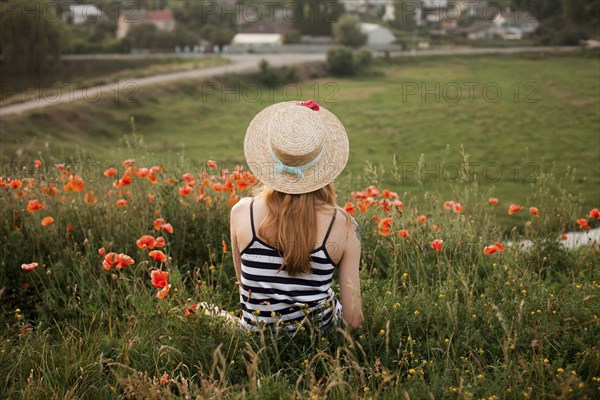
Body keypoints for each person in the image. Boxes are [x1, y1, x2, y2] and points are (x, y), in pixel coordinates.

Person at [229, 100, 364, 334]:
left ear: (270, 158)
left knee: (204, 309)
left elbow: (245, 287)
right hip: (317, 339)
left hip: (255, 337)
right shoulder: (343, 226)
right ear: (323, 164)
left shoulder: (241, 212)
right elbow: (353, 319)